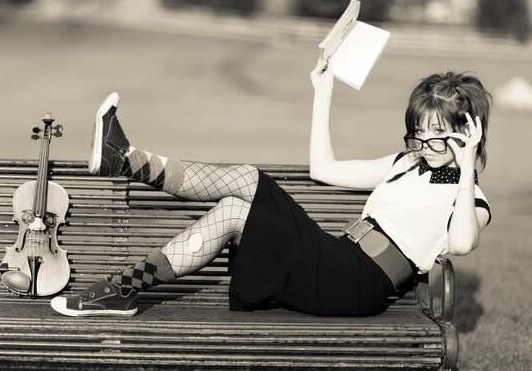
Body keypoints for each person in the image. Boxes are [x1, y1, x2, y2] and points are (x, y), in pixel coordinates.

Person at [50, 56, 491, 317]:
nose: (426, 144)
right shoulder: (404, 162)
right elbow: (324, 168)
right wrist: (323, 90)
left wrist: (467, 165)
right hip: (338, 258)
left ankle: (128, 160)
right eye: (419, 131)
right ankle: (119, 290)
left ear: (466, 132)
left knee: (249, 180)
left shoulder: (470, 196)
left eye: (439, 134)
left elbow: (462, 242)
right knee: (234, 210)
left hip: (362, 283)